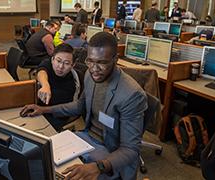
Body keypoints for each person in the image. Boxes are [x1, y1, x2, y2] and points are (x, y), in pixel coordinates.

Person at [21, 32, 147, 180]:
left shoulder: (131, 94)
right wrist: (44, 109)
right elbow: (79, 106)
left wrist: (98, 167)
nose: (94, 68)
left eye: (102, 62)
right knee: (44, 156)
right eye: (90, 61)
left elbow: (130, 149)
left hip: (111, 151)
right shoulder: (90, 75)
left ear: (115, 59)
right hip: (85, 139)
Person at [36, 43, 81, 130]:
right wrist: (45, 85)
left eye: (66, 63)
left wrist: (42, 109)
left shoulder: (72, 83)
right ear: (52, 59)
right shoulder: (49, 63)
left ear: (73, 65)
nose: (60, 67)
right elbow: (41, 70)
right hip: (40, 108)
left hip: (58, 114)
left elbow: (64, 109)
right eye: (58, 61)